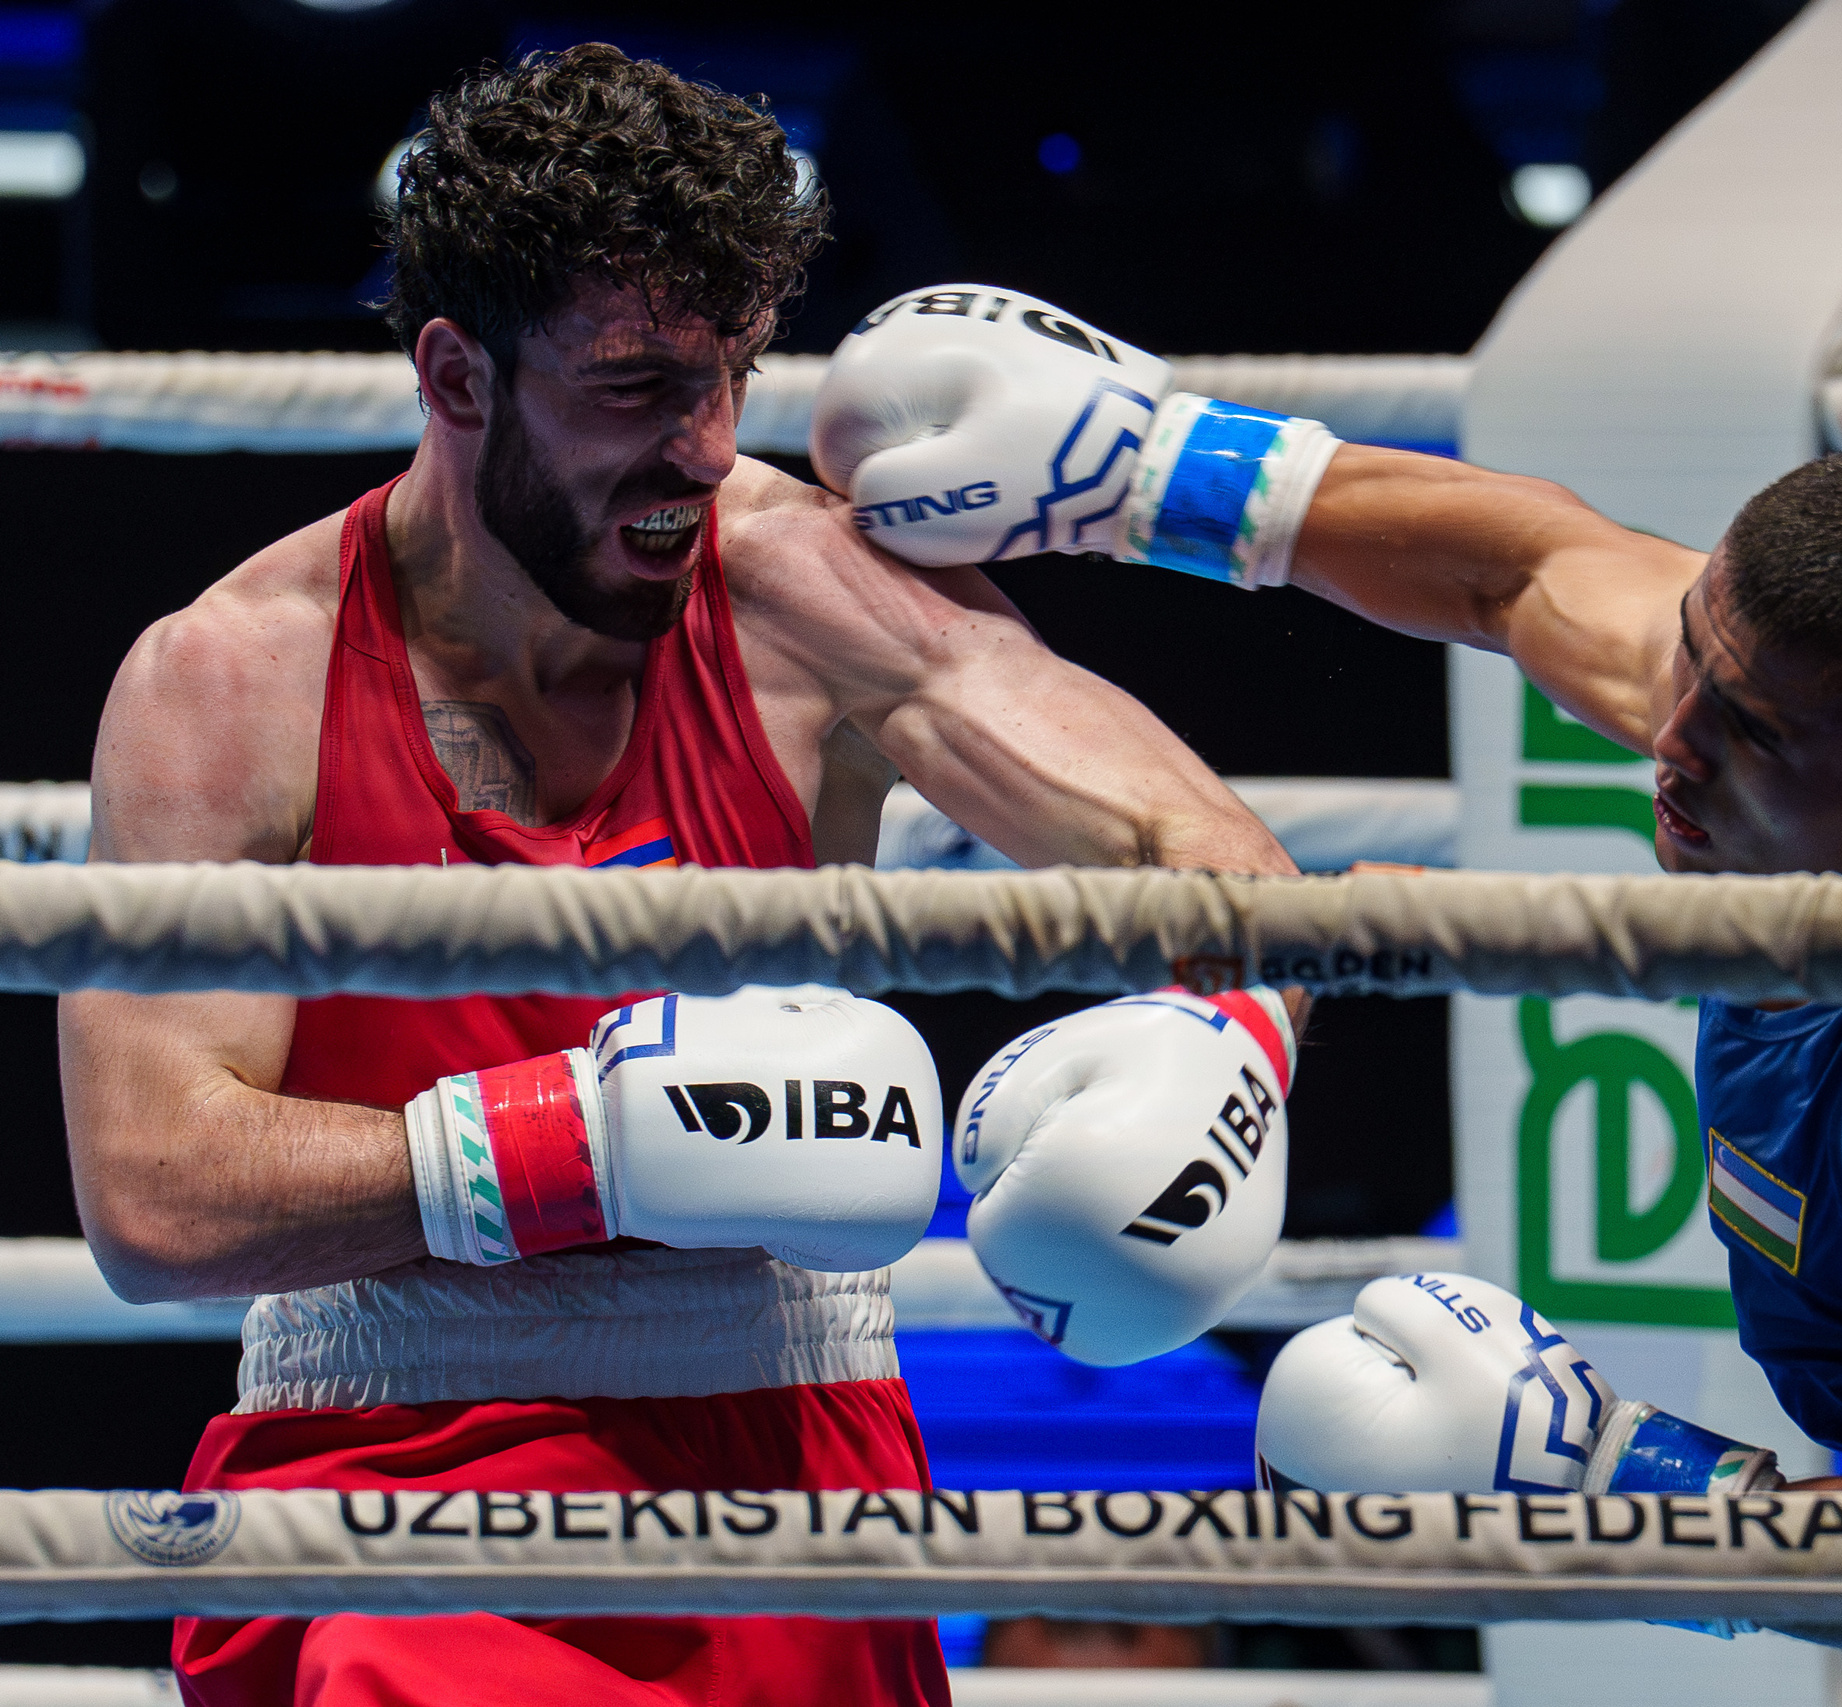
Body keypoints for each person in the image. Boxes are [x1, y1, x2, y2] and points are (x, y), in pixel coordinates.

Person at [832, 298, 1842, 1703]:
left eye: (1745, 731)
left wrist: (1611, 1489)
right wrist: (1151, 469)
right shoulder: (1794, 732)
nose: (1673, 744)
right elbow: (1521, 568)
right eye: (1693, 658)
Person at [63, 53, 1303, 1707]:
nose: (707, 449)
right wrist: (587, 1147)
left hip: (790, 1450)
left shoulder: (798, 589)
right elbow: (156, 1193)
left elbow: (1203, 857)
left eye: (730, 377)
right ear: (456, 373)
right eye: (636, 386)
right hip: (386, 1462)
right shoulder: (232, 678)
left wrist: (1229, 1055)